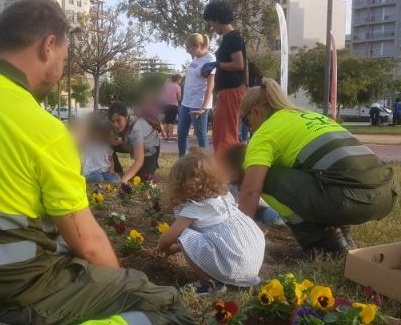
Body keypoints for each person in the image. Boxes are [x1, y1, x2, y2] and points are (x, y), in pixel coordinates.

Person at [0, 0, 193, 325]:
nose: (61, 70)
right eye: (64, 58)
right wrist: (118, 291)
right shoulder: (40, 127)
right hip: (20, 294)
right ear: (48, 45)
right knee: (166, 306)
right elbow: (90, 246)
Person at [238, 78, 399, 254]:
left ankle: (317, 241)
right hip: (387, 193)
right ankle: (339, 232)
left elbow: (250, 190)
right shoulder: (311, 116)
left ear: (255, 112)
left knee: (261, 177)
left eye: (246, 121)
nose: (249, 127)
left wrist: (238, 233)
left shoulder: (265, 132)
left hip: (352, 199)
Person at [157, 147, 265, 295]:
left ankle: (209, 284)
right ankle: (233, 280)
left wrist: (162, 248)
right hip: (249, 260)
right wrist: (176, 249)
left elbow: (168, 237)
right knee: (193, 240)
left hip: (232, 262)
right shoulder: (224, 197)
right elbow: (218, 239)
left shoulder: (196, 207)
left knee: (185, 235)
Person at [203, 0, 248, 156]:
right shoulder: (231, 37)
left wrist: (217, 64)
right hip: (230, 91)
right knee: (220, 134)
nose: (213, 27)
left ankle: (228, 173)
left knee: (225, 136)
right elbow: (245, 67)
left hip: (231, 91)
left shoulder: (232, 38)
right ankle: (226, 170)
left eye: (212, 23)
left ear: (216, 19)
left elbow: (239, 64)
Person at [222, 144, 284, 226]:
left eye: (229, 169)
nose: (226, 172)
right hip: (239, 212)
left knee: (270, 215)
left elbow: (259, 201)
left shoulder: (253, 181)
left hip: (260, 209)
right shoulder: (229, 184)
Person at [177, 34, 215, 158]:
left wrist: (203, 108)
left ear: (197, 46)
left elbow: (210, 86)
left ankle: (207, 166)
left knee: (201, 136)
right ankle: (182, 162)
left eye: (188, 48)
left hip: (198, 104)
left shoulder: (210, 59)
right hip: (185, 103)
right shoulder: (195, 58)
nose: (187, 50)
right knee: (181, 134)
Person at [109, 101, 161, 183]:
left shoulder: (136, 128)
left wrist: (124, 179)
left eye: (118, 120)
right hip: (130, 144)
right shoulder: (113, 125)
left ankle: (152, 163)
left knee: (143, 179)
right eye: (112, 121)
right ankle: (117, 171)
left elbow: (139, 161)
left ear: (126, 117)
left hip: (149, 149)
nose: (115, 124)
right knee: (107, 144)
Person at [81, 117, 120, 184]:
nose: (98, 136)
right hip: (91, 172)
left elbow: (111, 159)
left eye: (101, 134)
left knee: (114, 180)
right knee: (98, 178)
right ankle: (84, 179)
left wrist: (111, 170)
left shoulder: (106, 146)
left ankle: (105, 178)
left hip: (104, 171)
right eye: (95, 133)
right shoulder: (88, 144)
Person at [160, 74, 182, 142]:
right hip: (173, 105)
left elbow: (162, 93)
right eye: (180, 79)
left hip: (165, 104)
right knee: (171, 121)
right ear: (178, 79)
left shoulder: (166, 85)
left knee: (166, 120)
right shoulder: (177, 87)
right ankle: (171, 136)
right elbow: (179, 97)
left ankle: (165, 136)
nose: (180, 81)